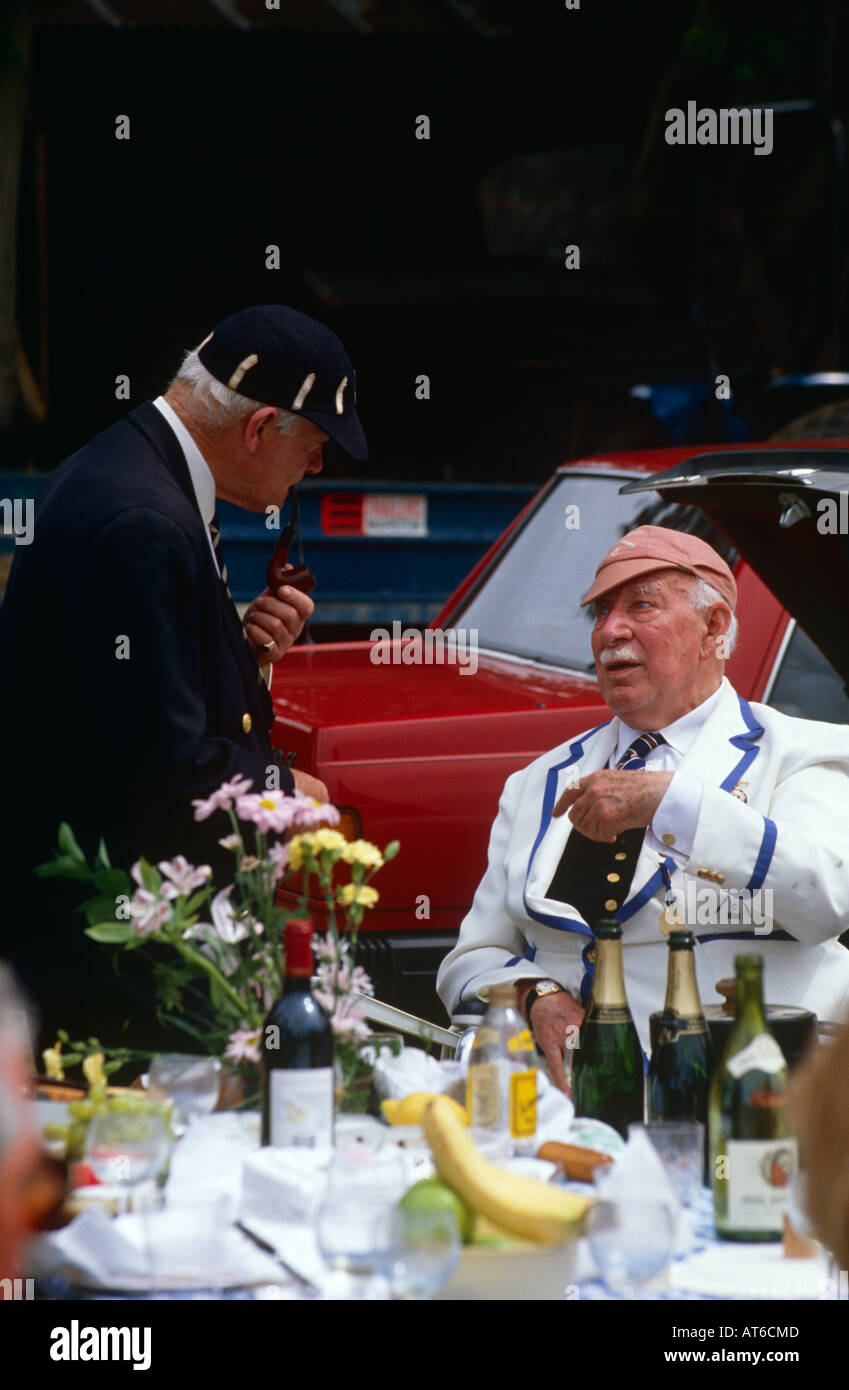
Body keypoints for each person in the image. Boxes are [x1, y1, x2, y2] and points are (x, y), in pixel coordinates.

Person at [0, 304, 367, 1046]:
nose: (317, 467)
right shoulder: (143, 519)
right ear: (261, 427)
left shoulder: (130, 463)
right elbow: (159, 770)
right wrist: (283, 794)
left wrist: (241, 655)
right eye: (316, 444)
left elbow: (123, 694)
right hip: (105, 965)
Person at [437, 525, 849, 1093]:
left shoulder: (803, 753)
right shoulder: (539, 781)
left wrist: (671, 802)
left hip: (750, 1095)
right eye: (602, 612)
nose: (611, 631)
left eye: (641, 606)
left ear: (714, 628)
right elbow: (472, 957)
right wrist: (537, 995)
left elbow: (827, 898)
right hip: (575, 1104)